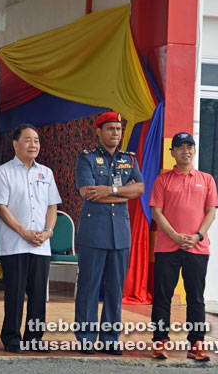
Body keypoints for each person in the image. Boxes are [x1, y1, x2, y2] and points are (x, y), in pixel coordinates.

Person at [74, 111, 144, 354]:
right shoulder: (87, 158)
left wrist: (109, 189)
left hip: (121, 233)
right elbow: (88, 193)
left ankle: (110, 339)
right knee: (89, 287)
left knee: (116, 289)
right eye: (111, 128)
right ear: (99, 131)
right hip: (94, 231)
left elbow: (140, 188)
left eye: (118, 129)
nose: (116, 133)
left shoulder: (129, 159)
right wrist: (122, 193)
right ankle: (85, 337)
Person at [0, 124, 62, 353]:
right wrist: (23, 232)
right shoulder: (3, 172)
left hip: (41, 245)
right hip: (14, 245)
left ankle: (34, 338)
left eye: (37, 141)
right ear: (15, 144)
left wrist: (48, 232)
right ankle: (11, 337)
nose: (34, 145)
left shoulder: (47, 173)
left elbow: (52, 206)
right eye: (28, 140)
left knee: (38, 295)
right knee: (14, 293)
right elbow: (0, 207)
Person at [149, 132, 218, 362]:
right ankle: (160, 341)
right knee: (162, 296)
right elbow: (157, 212)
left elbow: (211, 211)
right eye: (180, 147)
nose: (185, 151)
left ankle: (196, 344)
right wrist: (176, 236)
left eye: (189, 146)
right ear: (173, 152)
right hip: (167, 248)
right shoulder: (163, 180)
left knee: (196, 298)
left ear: (194, 150)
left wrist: (197, 236)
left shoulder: (207, 179)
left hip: (197, 249)